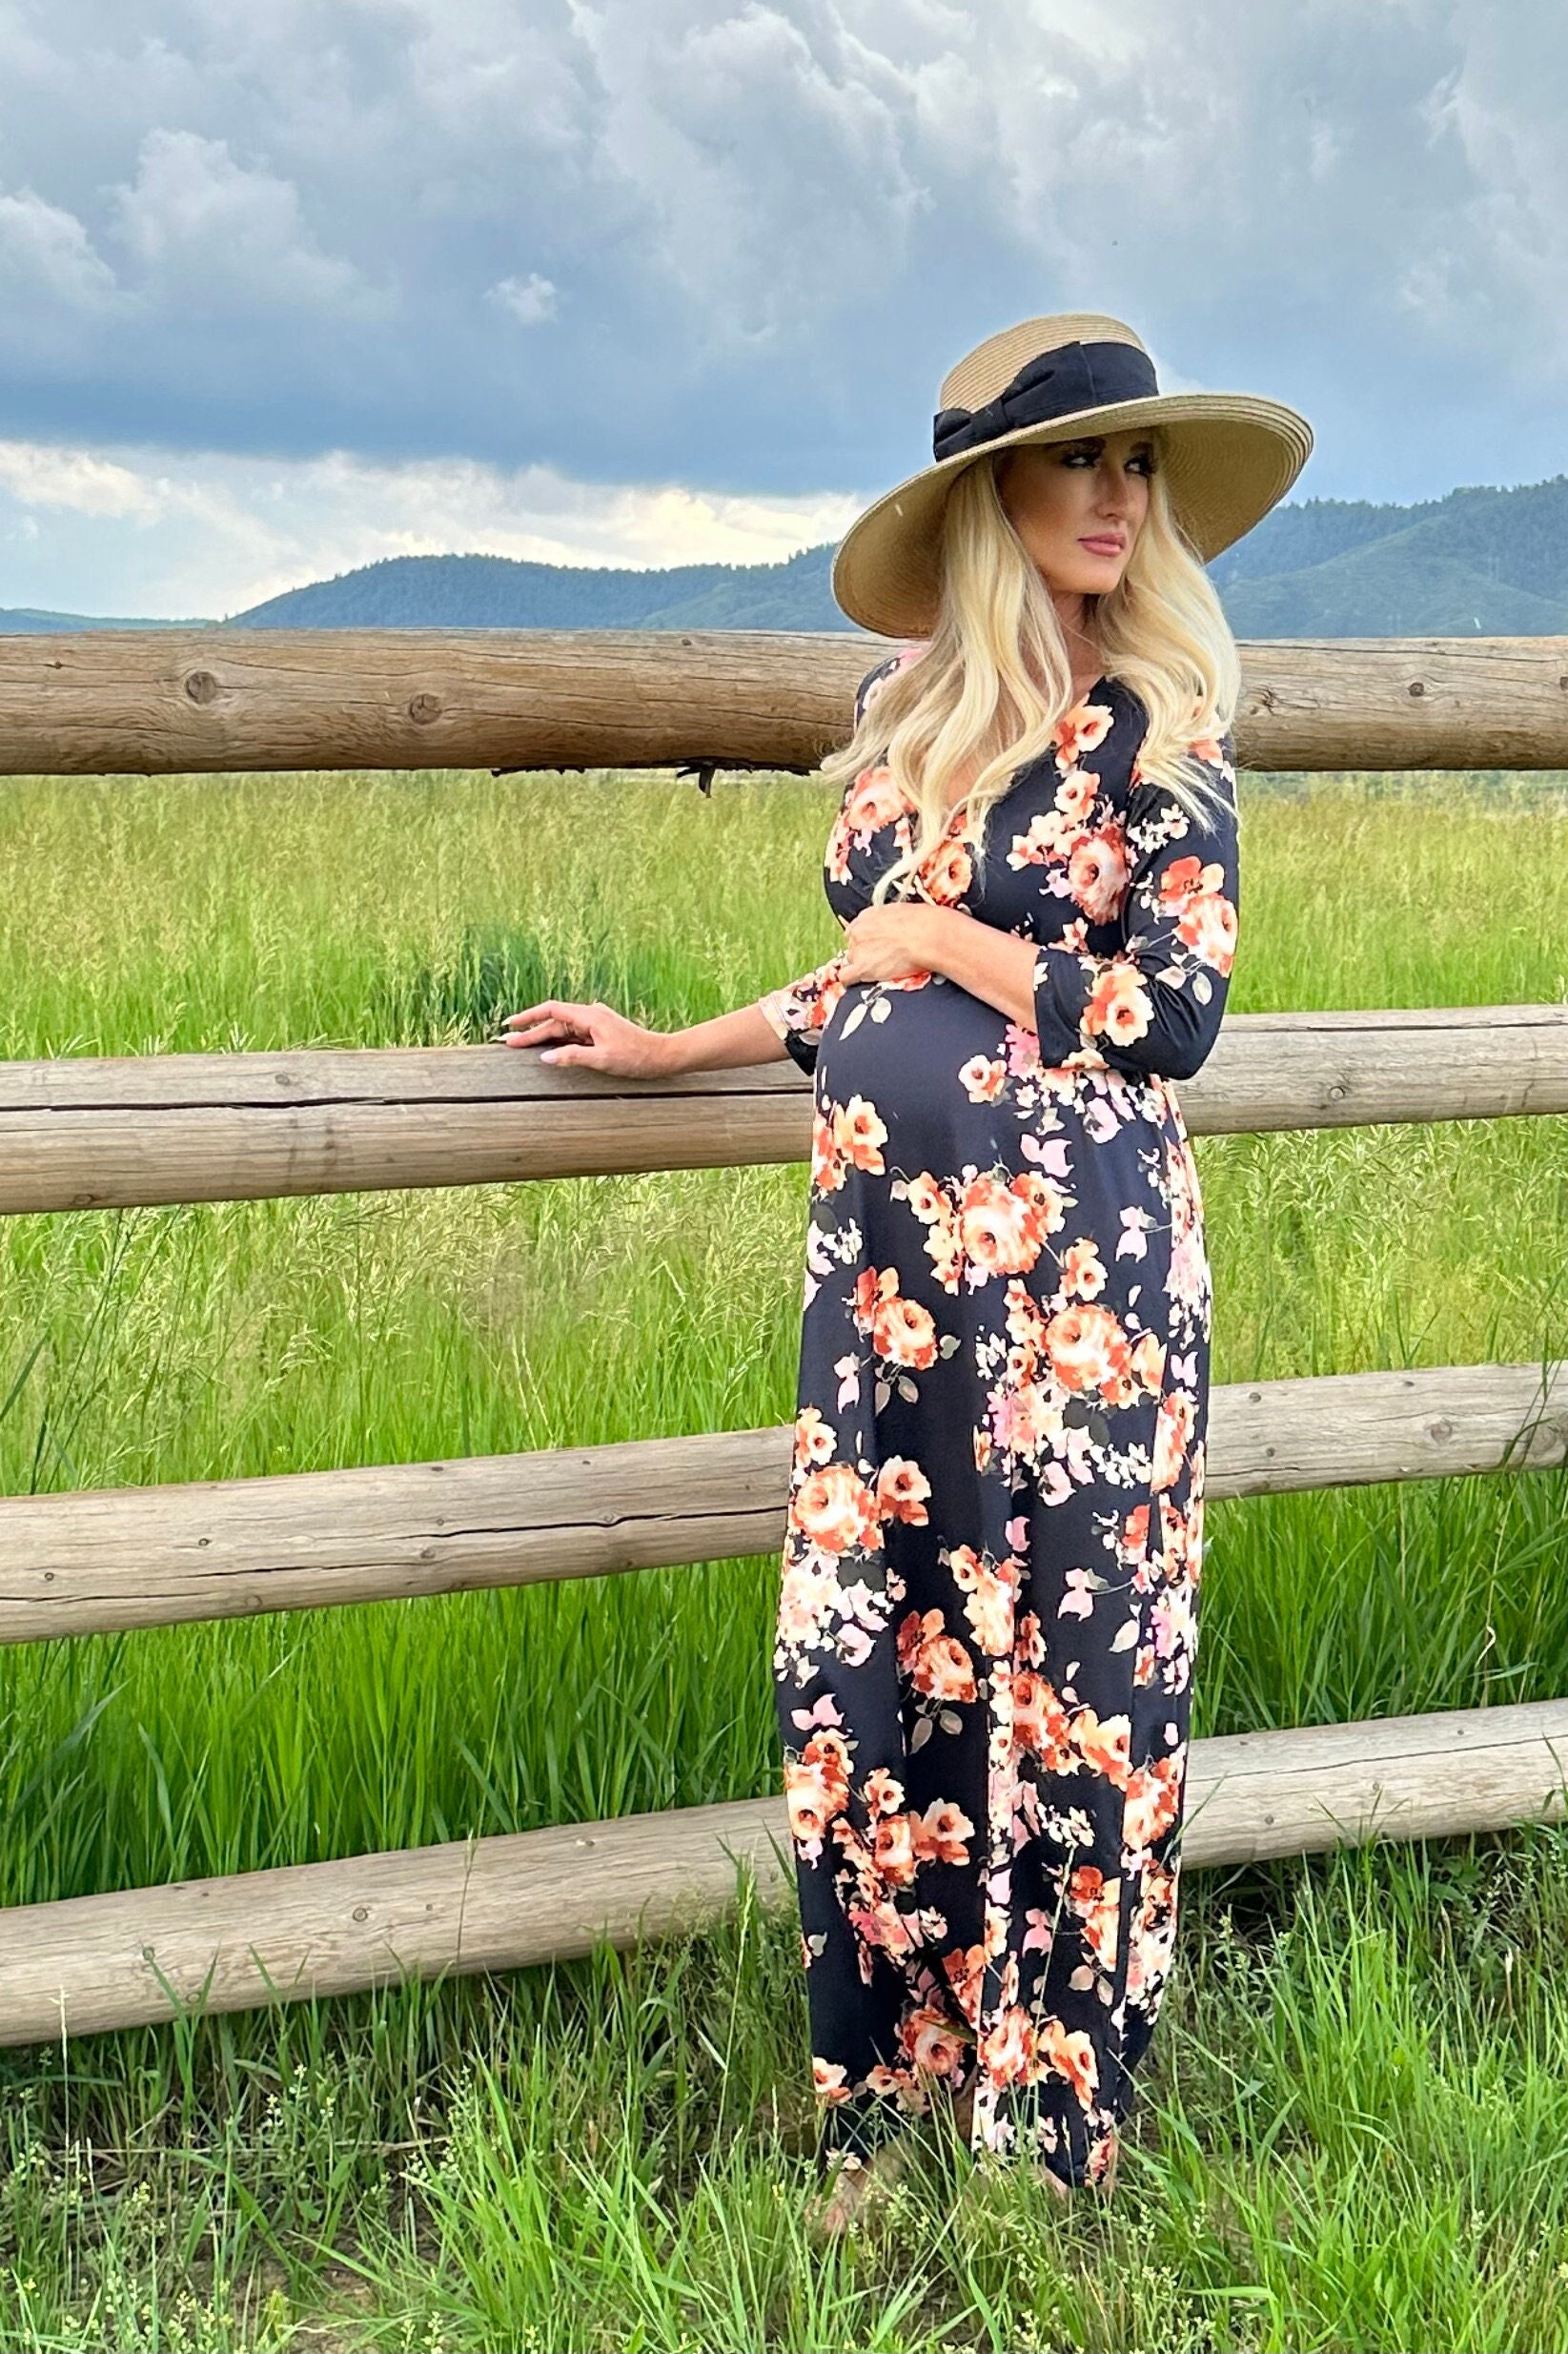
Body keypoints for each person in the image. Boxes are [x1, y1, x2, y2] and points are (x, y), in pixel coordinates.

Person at [499, 313, 1312, 2229]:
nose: (1116, 501)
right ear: (986, 500)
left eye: (1136, 469)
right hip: (891, 1282)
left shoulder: (1164, 726)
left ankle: (1047, 2132)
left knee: (1068, 1670)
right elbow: (869, 971)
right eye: (1076, 465)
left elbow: (1169, 1015)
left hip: (1077, 1271)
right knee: (885, 1655)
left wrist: (945, 934)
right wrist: (669, 1046)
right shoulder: (911, 709)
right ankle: (884, 2097)